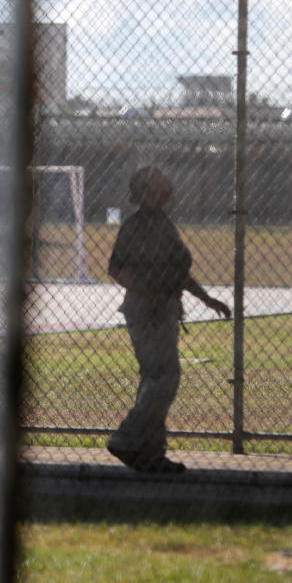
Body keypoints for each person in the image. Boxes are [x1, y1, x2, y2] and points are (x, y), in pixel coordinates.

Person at [106, 165, 231, 473]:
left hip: (164, 311)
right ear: (142, 193)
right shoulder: (136, 226)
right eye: (153, 188)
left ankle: (150, 454)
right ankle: (128, 438)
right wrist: (151, 296)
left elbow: (179, 273)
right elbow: (117, 269)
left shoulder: (163, 224)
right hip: (146, 312)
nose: (161, 193)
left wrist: (205, 298)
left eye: (163, 188)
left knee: (157, 379)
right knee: (164, 377)